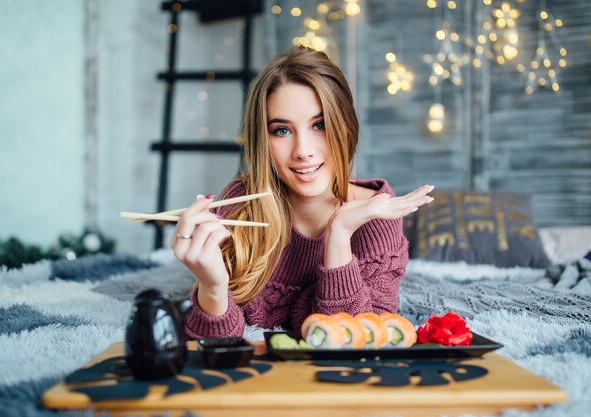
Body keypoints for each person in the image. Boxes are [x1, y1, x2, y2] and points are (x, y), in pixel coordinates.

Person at [170, 46, 434, 339]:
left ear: (345, 126)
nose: (303, 152)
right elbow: (213, 344)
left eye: (319, 125)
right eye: (282, 130)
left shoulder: (376, 216)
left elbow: (360, 338)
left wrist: (339, 234)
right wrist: (213, 287)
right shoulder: (241, 205)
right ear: (262, 140)